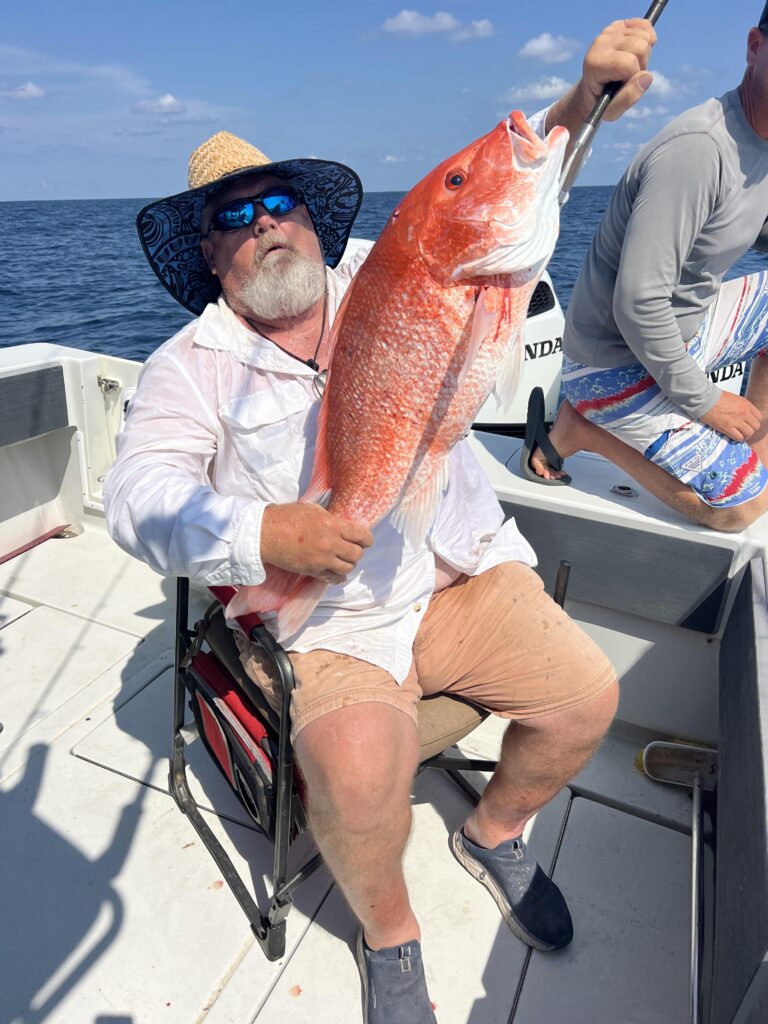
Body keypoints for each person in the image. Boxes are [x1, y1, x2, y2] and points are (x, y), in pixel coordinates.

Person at [104, 19, 655, 1024]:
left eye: (281, 202)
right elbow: (135, 498)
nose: (266, 222)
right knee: (359, 791)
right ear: (211, 256)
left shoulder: (385, 268)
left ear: (315, 222)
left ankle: (491, 830)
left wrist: (579, 107)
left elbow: (494, 205)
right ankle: (392, 935)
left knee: (585, 700)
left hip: (451, 570)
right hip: (335, 626)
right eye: (234, 217)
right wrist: (264, 538)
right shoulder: (188, 367)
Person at [525, 9, 768, 534]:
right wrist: (708, 403)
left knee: (755, 478)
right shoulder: (701, 150)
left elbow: (739, 224)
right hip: (613, 364)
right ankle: (586, 428)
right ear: (754, 46)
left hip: (683, 334)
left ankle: (756, 453)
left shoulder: (762, 146)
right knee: (740, 512)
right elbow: (637, 303)